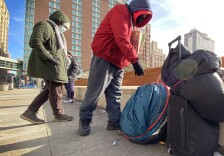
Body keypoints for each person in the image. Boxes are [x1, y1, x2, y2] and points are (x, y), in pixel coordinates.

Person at [78, 0, 153, 136]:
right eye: (142, 15)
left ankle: (114, 122)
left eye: (145, 17)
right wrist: (135, 61)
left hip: (119, 62)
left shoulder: (131, 23)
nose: (142, 19)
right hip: (105, 56)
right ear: (137, 9)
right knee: (95, 91)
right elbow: (121, 37)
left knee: (115, 94)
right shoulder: (120, 10)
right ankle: (84, 120)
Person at [20, 10, 73, 124]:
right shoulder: (45, 25)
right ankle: (59, 114)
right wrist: (49, 58)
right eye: (64, 27)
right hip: (50, 67)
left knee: (48, 91)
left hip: (54, 67)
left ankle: (30, 112)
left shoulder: (55, 31)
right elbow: (35, 41)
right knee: (56, 91)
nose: (64, 30)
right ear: (59, 21)